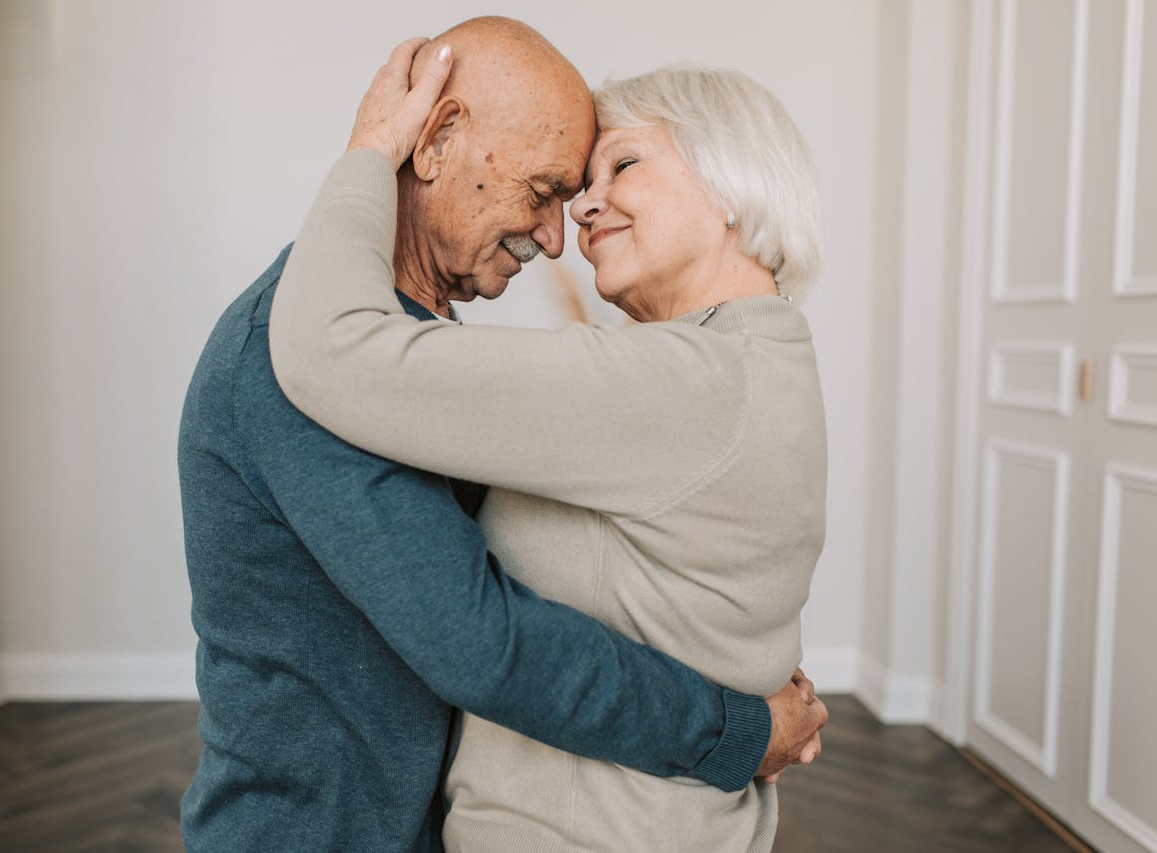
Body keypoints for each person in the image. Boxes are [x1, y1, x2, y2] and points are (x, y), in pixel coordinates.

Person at [179, 17, 825, 853]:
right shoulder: (294, 352)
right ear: (438, 140)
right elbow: (483, 641)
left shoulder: (682, 375)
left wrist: (744, 676)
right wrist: (741, 725)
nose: (562, 235)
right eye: (548, 189)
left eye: (611, 171)